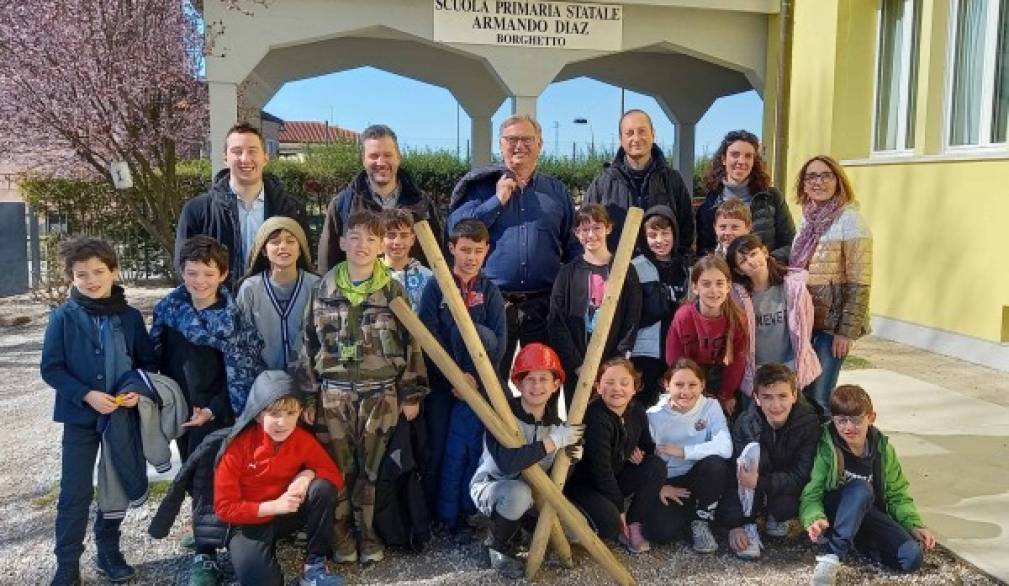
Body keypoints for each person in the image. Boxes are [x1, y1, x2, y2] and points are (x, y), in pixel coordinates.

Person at [297, 210, 428, 564]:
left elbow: (411, 343)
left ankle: (370, 536)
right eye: (354, 237)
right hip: (333, 395)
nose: (362, 245)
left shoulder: (393, 290)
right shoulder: (321, 288)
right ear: (341, 242)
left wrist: (411, 393)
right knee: (338, 469)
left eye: (372, 239)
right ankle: (341, 538)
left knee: (373, 471)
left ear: (381, 245)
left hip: (380, 395)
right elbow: (307, 344)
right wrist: (308, 395)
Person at [41, 237, 157, 585]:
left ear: (114, 272)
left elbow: (146, 363)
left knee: (115, 484)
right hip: (80, 419)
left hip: (121, 417)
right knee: (74, 490)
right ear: (71, 278)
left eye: (98, 272)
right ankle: (67, 562)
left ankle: (109, 550)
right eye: (81, 275)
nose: (91, 280)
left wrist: (135, 390)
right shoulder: (63, 317)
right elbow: (51, 368)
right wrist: (87, 395)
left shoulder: (131, 317)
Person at [151, 235, 264, 581]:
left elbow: (246, 367)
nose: (199, 281)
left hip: (220, 410)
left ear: (223, 274)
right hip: (182, 411)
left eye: (207, 273)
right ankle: (206, 534)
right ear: (181, 272)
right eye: (192, 273)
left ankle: (206, 554)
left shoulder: (234, 318)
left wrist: (213, 410)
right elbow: (154, 357)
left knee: (213, 479)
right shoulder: (169, 310)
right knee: (191, 475)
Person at [448, 114, 581, 381]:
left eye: (527, 139)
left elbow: (574, 245)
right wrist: (497, 201)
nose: (519, 145)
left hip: (544, 306)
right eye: (512, 139)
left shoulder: (556, 192)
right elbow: (457, 230)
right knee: (491, 381)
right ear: (501, 144)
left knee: (542, 382)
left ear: (540, 144)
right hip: (494, 302)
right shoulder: (481, 188)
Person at [417, 218, 506, 542]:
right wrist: (453, 376)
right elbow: (428, 334)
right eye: (464, 250)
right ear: (451, 248)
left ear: (487, 251)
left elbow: (499, 339)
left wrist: (476, 380)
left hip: (478, 387)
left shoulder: (490, 290)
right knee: (440, 447)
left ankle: (467, 512)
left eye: (477, 251)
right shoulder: (436, 286)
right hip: (444, 385)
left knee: (471, 450)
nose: (471, 257)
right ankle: (439, 515)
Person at [214, 371, 345, 586]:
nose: (282, 422)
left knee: (322, 488)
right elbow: (224, 508)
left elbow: (333, 475)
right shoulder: (236, 449)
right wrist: (274, 506)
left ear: (300, 412)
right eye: (273, 414)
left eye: (290, 413)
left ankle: (315, 566)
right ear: (257, 414)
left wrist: (307, 474)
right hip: (248, 523)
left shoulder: (301, 439)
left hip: (287, 515)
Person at [469, 343, 584, 579]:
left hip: (536, 495)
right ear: (519, 384)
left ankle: (518, 528)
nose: (537, 386)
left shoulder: (556, 425)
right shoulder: (501, 415)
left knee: (577, 531)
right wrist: (551, 443)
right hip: (493, 486)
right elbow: (507, 464)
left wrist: (570, 461)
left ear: (556, 384)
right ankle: (497, 544)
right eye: (530, 379)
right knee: (517, 494)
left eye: (544, 379)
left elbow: (556, 479)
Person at [801, 385, 935, 585]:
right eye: (841, 420)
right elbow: (812, 492)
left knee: (911, 558)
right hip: (834, 515)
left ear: (871, 418)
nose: (848, 427)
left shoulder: (882, 449)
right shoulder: (827, 446)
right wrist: (814, 518)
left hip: (868, 514)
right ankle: (832, 557)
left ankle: (858, 542)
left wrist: (914, 524)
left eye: (856, 420)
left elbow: (897, 493)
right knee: (860, 489)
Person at [789, 156, 873, 418]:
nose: (819, 182)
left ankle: (827, 456)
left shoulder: (850, 220)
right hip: (807, 321)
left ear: (838, 180)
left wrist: (845, 332)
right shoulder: (807, 220)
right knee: (802, 393)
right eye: (811, 176)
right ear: (803, 184)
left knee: (821, 397)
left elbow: (860, 281)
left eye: (826, 175)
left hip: (832, 328)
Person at [176, 122, 306, 290]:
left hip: (273, 309)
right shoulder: (197, 211)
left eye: (252, 151)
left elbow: (303, 261)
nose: (245, 159)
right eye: (237, 152)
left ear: (265, 157)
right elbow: (184, 267)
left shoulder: (290, 209)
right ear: (225, 158)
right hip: (218, 309)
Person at [719, 364, 821, 560]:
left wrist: (761, 483)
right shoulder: (745, 424)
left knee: (784, 507)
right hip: (753, 482)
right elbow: (733, 475)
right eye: (767, 397)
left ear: (794, 395)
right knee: (754, 455)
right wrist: (735, 524)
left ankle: (773, 514)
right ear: (756, 399)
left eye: (782, 396)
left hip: (781, 486)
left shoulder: (809, 423)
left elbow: (802, 474)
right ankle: (750, 522)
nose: (776, 405)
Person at [565, 358, 665, 553]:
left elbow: (648, 446)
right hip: (588, 484)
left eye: (624, 383)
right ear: (598, 387)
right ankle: (604, 519)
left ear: (635, 387)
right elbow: (600, 470)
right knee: (610, 524)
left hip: (616, 474)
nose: (617, 388)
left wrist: (636, 452)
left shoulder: (636, 410)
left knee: (655, 465)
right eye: (609, 383)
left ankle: (634, 523)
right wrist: (619, 509)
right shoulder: (595, 416)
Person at [548, 203, 641, 409]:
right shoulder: (568, 273)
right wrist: (576, 363)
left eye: (597, 227)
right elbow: (556, 320)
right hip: (577, 365)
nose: (591, 234)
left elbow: (632, 318)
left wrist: (615, 362)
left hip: (611, 365)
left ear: (608, 228)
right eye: (585, 229)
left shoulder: (624, 268)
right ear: (577, 233)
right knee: (578, 420)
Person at [317, 124, 443, 273]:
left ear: (398, 158)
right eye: (374, 156)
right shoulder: (342, 205)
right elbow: (327, 265)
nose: (381, 162)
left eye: (387, 155)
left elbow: (439, 261)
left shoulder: (421, 204)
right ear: (363, 160)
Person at [647, 358, 731, 553]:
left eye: (692, 385)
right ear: (667, 385)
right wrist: (658, 488)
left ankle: (700, 520)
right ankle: (687, 513)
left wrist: (684, 451)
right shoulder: (653, 415)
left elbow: (725, 447)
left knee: (716, 464)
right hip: (668, 481)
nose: (685, 391)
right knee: (661, 533)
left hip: (699, 475)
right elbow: (645, 459)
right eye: (678, 385)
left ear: (702, 385)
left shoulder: (710, 406)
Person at [583, 109, 694, 254]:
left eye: (642, 131)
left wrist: (679, 264)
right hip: (615, 273)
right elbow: (586, 227)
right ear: (621, 139)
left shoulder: (672, 180)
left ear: (653, 134)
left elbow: (687, 229)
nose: (636, 138)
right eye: (629, 133)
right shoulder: (603, 183)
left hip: (664, 273)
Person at [727, 234, 821, 398]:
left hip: (789, 370)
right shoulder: (738, 298)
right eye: (743, 261)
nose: (751, 261)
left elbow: (806, 327)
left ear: (764, 252)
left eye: (753, 254)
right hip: (755, 374)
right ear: (738, 270)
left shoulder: (794, 289)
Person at [665, 255, 748, 417]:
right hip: (688, 377)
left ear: (728, 286)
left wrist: (727, 394)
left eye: (719, 283)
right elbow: (674, 360)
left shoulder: (738, 319)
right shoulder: (684, 316)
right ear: (695, 287)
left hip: (721, 378)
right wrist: (687, 390)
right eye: (706, 284)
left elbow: (737, 362)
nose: (714, 290)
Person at [696, 130, 795, 262]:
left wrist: (767, 259)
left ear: (754, 161)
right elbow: (704, 252)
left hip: (765, 278)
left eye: (748, 156)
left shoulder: (772, 198)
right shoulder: (709, 205)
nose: (741, 161)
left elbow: (791, 245)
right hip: (726, 280)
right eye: (735, 154)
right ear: (724, 159)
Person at [237, 217, 320, 372]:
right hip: (264, 383)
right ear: (263, 250)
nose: (283, 246)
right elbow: (240, 344)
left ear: (300, 248)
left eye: (290, 241)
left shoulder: (316, 286)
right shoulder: (250, 289)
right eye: (275, 242)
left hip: (308, 381)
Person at [630, 205, 691, 409]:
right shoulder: (635, 267)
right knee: (644, 405)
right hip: (646, 351)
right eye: (652, 234)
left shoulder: (686, 266)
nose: (659, 240)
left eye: (665, 233)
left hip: (679, 349)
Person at [381, 208, 433, 310]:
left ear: (412, 239)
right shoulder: (370, 276)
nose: (397, 241)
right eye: (391, 235)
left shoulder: (428, 277)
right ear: (380, 238)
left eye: (404, 236)